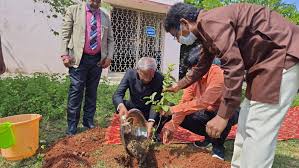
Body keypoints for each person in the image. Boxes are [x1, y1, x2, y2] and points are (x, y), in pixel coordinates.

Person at [164, 2, 299, 168]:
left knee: (259, 128)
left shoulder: (211, 23)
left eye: (176, 34)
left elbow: (233, 67)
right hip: (263, 67)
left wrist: (222, 116)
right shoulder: (207, 29)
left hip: (281, 58)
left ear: (184, 22)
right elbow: (202, 64)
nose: (178, 40)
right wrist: (179, 85)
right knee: (245, 122)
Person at [61, 0, 114, 135]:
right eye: (93, 0)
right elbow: (65, 34)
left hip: (97, 61)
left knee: (92, 91)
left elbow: (110, 40)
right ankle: (72, 126)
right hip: (78, 59)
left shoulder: (105, 16)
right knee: (76, 91)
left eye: (98, 0)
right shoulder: (74, 10)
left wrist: (109, 57)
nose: (96, 3)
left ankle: (88, 122)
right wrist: (64, 54)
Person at [112, 57, 166, 140]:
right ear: (138, 70)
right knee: (121, 103)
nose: (148, 79)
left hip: (149, 111)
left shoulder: (159, 78)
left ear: (154, 72)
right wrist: (121, 106)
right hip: (133, 108)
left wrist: (151, 121)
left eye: (151, 76)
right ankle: (129, 124)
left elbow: (156, 102)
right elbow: (118, 94)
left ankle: (155, 132)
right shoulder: (130, 74)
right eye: (145, 75)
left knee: (167, 108)